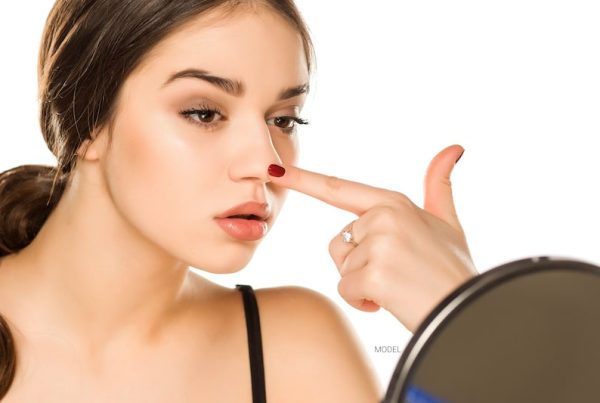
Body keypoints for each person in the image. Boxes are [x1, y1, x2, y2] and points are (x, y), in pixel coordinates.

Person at [0, 0, 476, 401]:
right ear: (86, 123)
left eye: (284, 120)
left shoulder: (293, 347)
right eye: (204, 112)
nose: (263, 162)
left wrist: (467, 319)